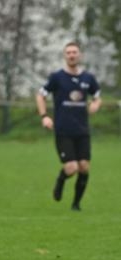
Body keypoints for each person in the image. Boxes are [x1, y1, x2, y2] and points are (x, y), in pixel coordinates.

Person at [35, 41, 101, 211]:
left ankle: (76, 204)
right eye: (69, 52)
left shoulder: (88, 78)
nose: (72, 55)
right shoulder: (57, 77)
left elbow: (97, 96)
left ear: (80, 55)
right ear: (65, 56)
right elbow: (40, 96)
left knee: (84, 167)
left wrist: (96, 104)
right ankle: (61, 180)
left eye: (75, 52)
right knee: (72, 168)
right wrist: (44, 116)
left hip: (82, 130)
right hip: (63, 130)